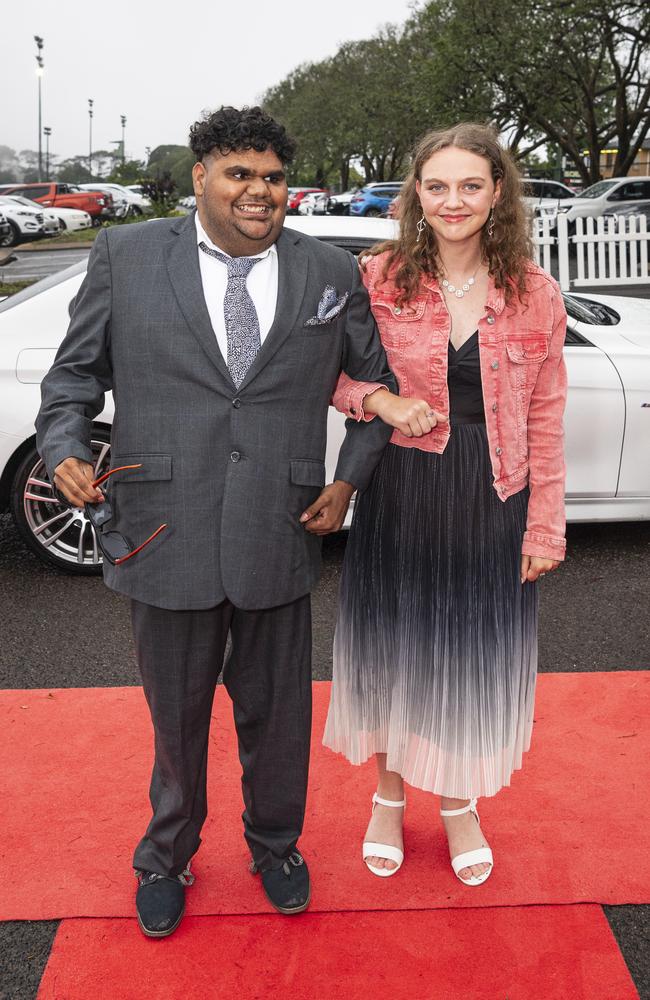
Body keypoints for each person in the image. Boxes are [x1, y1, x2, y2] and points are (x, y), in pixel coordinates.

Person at [35, 105, 396, 937]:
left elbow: (374, 392)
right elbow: (73, 379)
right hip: (164, 523)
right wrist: (62, 446)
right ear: (201, 177)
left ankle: (276, 846)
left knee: (278, 715)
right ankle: (165, 855)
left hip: (283, 521)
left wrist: (346, 483)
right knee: (178, 715)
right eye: (239, 174)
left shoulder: (327, 272)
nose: (258, 191)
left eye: (271, 177)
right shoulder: (126, 255)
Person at [324, 122, 567, 885]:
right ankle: (388, 798)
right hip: (402, 490)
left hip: (493, 495)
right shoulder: (378, 276)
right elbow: (327, 377)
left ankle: (459, 805)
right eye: (437, 186)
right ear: (417, 196)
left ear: (498, 193)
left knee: (471, 657)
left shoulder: (536, 294)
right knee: (398, 652)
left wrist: (545, 526)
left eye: (470, 185)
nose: (453, 200)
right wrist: (384, 402)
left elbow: (547, 416)